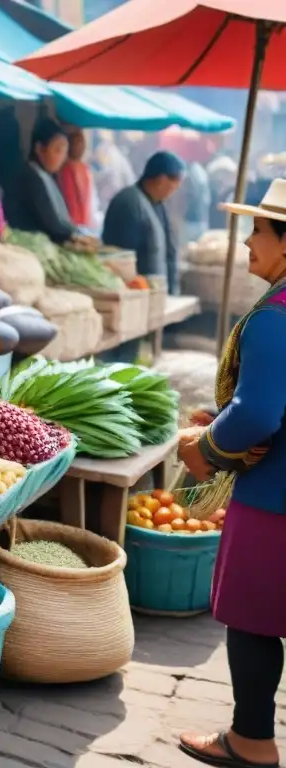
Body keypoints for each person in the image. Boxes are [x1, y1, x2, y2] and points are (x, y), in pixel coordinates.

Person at [176, 178, 286, 768]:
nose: (248, 240)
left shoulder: (275, 315)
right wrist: (222, 418)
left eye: (261, 230)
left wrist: (207, 448)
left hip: (274, 498)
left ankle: (251, 740)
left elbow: (261, 415)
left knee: (253, 619)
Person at [102, 151, 185, 293]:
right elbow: (123, 256)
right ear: (161, 180)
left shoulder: (158, 204)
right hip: (135, 295)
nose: (174, 191)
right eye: (175, 185)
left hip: (155, 295)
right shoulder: (129, 203)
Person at [6, 118, 89, 246]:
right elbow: (52, 224)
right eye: (57, 150)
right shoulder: (31, 178)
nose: (62, 158)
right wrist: (77, 236)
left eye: (64, 152)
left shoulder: (45, 175)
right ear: (39, 149)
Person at [56, 126, 99, 232]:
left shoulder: (85, 169)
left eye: (81, 141)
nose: (79, 146)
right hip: (71, 227)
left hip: (85, 226)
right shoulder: (64, 170)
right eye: (75, 142)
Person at [181, 159, 211, 246]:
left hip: (191, 222)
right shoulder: (200, 172)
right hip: (201, 220)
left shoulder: (192, 172)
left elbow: (190, 195)